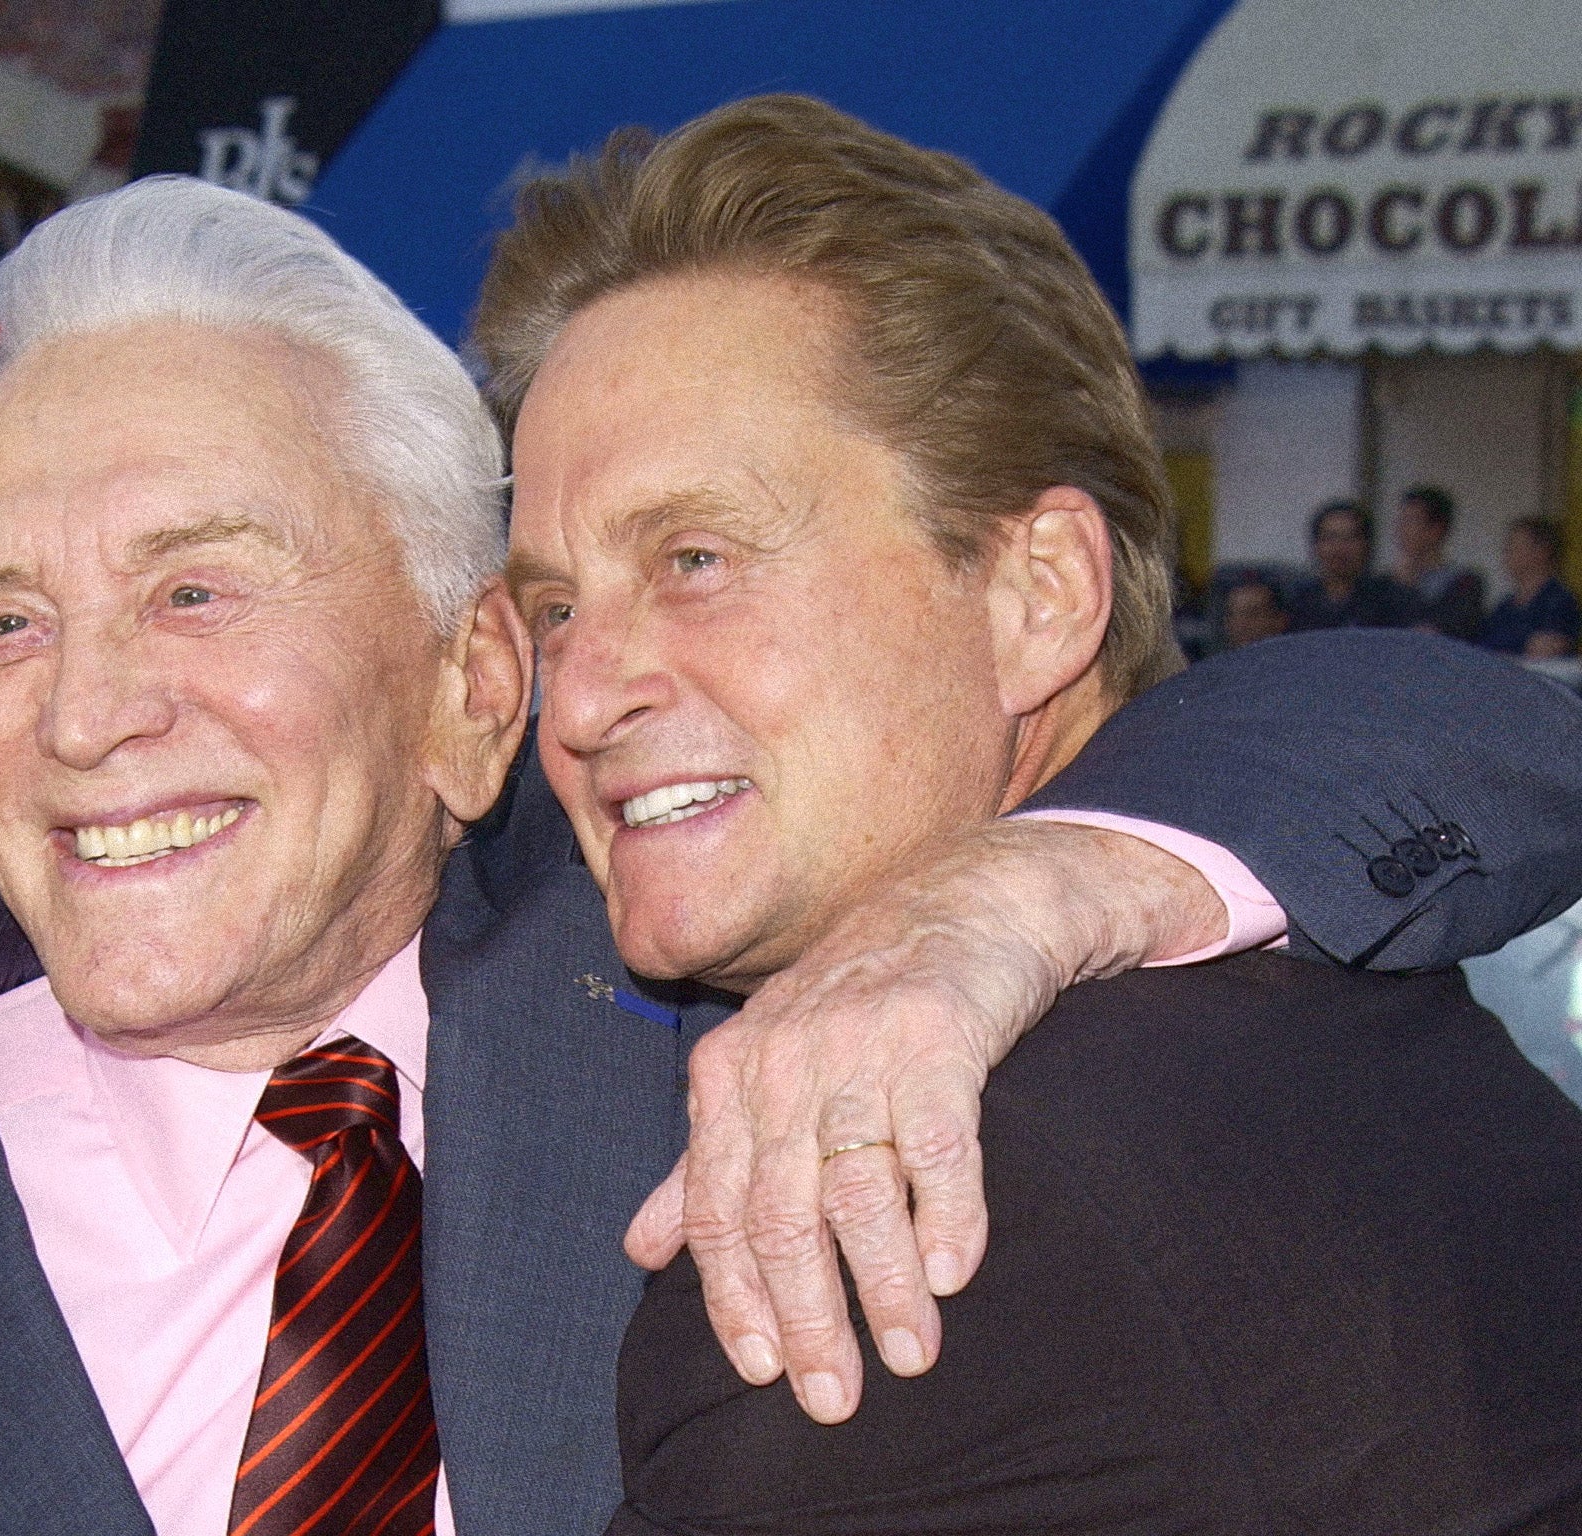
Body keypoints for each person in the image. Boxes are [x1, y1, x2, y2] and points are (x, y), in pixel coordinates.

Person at [0, 180, 1582, 1536]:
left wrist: (1024, 889)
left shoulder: (741, 971)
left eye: (195, 594)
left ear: (464, 688)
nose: (83, 716)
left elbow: (1441, 732)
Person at [471, 95, 1582, 1531]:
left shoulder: (896, 1249)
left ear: (1039, 593)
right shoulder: (1360, 1014)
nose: (579, 696)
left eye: (694, 557)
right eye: (554, 606)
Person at [1285, 499, 1420, 631]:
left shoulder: (1392, 599)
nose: (1339, 548)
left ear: (1366, 545)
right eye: (1331, 537)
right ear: (1316, 545)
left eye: (1350, 538)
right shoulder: (1295, 601)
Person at [1479, 516, 1581, 658]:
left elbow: (1546, 650)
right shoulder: (1503, 607)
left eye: (1515, 547)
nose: (1507, 553)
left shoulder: (1560, 601)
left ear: (1542, 551)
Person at [1393, 484, 1485, 640]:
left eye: (1411, 522)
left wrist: (1408, 589)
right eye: (1401, 521)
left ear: (1436, 529)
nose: (1402, 530)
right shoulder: (1387, 583)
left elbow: (1450, 630)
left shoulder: (1465, 583)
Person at [1220, 572, 1287, 647]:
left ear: (1279, 621)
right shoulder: (1217, 658)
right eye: (1233, 615)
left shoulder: (1297, 656)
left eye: (1252, 614)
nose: (1240, 625)